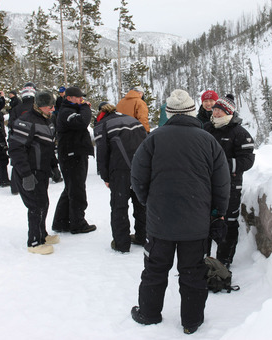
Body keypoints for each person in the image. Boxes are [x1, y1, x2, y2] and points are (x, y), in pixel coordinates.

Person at [130, 89, 230, 334]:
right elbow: (222, 183)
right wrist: (217, 213)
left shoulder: (153, 138)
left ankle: (149, 314)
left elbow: (138, 177)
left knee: (155, 268)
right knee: (193, 272)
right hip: (195, 222)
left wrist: (149, 202)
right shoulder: (208, 141)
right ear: (192, 111)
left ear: (170, 113)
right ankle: (192, 322)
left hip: (160, 220)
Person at [204, 94, 255, 267]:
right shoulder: (206, 128)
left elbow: (248, 160)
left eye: (220, 110)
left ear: (229, 112)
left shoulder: (239, 133)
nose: (216, 113)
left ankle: (223, 261)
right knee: (204, 220)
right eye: (215, 109)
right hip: (206, 185)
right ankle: (201, 259)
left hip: (231, 186)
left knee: (228, 222)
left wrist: (223, 165)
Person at [8, 91, 61, 255]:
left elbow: (48, 147)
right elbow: (16, 149)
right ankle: (34, 242)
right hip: (29, 171)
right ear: (40, 106)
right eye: (49, 106)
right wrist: (25, 174)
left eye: (53, 106)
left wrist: (53, 166)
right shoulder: (25, 121)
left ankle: (42, 234)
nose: (52, 109)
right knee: (35, 206)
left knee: (43, 203)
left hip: (42, 171)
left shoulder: (47, 121)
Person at [93, 102, 147, 253]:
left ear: (100, 113)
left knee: (119, 206)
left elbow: (102, 153)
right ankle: (143, 236)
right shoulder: (132, 120)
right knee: (141, 203)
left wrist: (105, 176)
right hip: (140, 167)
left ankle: (121, 243)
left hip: (119, 170)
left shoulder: (102, 125)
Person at [51, 86, 96, 234]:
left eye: (82, 98)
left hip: (73, 153)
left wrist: (82, 107)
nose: (81, 100)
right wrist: (85, 107)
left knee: (70, 188)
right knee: (77, 190)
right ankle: (78, 223)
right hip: (72, 154)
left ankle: (61, 221)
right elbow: (82, 122)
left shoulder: (70, 110)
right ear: (69, 98)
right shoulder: (66, 112)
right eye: (78, 98)